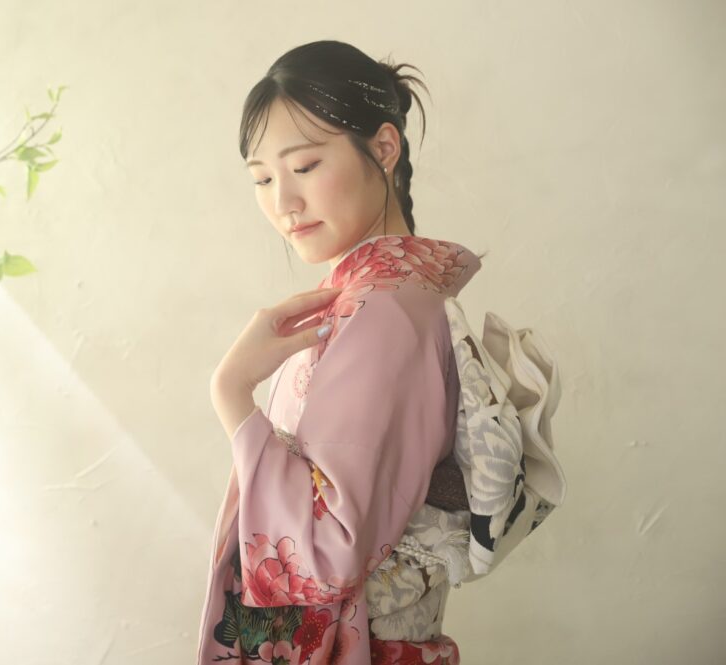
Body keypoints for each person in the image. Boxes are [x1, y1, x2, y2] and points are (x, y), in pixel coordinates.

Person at [197, 41, 564, 664]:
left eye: (304, 166)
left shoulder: (383, 312)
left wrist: (231, 394)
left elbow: (323, 554)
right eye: (262, 178)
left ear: (385, 148)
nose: (282, 203)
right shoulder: (393, 299)